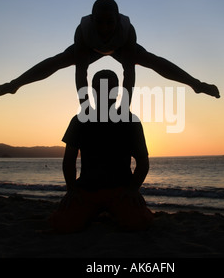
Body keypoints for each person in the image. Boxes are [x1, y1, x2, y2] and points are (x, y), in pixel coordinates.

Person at [0, 0, 220, 105]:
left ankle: (196, 84)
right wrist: (85, 107)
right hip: (89, 49)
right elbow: (81, 74)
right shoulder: (83, 31)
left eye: (110, 22)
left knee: (152, 60)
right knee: (57, 61)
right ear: (92, 19)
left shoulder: (127, 31)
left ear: (117, 20)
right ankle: (14, 85)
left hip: (121, 49)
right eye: (100, 21)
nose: (105, 27)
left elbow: (128, 73)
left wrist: (124, 108)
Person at [49, 70, 153, 233]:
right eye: (100, 87)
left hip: (121, 190)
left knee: (139, 223)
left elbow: (143, 162)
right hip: (87, 189)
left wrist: (133, 189)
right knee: (62, 224)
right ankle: (95, 213)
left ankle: (112, 213)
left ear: (118, 92)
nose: (106, 92)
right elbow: (69, 160)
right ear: (93, 91)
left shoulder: (130, 121)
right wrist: (71, 190)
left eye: (111, 88)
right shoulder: (80, 120)